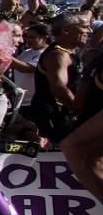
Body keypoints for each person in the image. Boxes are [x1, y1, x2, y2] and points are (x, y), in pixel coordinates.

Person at [28, 11, 92, 146]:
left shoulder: (70, 52)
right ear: (66, 30)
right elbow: (59, 88)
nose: (90, 31)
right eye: (85, 27)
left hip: (63, 116)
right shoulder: (58, 55)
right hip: (52, 117)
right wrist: (82, 112)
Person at [10, 23, 50, 116]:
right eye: (27, 37)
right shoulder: (27, 52)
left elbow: (26, 68)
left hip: (32, 101)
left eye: (32, 37)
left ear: (44, 38)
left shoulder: (46, 53)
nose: (28, 40)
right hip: (19, 100)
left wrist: (4, 56)